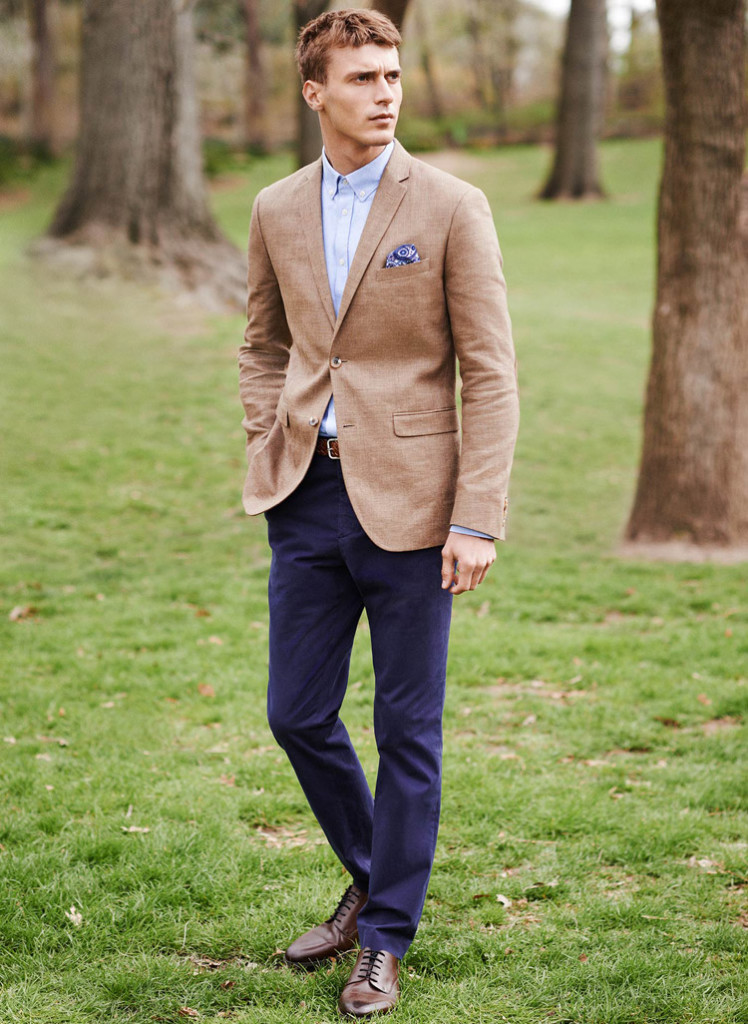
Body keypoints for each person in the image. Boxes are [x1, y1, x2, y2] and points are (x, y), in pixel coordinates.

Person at [238, 8, 519, 1017]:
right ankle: (373, 875)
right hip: (305, 498)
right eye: (362, 77)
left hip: (416, 507)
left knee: (408, 731)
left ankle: (385, 937)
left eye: (392, 75)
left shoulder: (450, 205)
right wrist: (266, 436)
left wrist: (476, 517)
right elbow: (262, 343)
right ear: (314, 91)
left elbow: (490, 373)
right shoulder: (275, 207)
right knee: (295, 713)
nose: (385, 92)